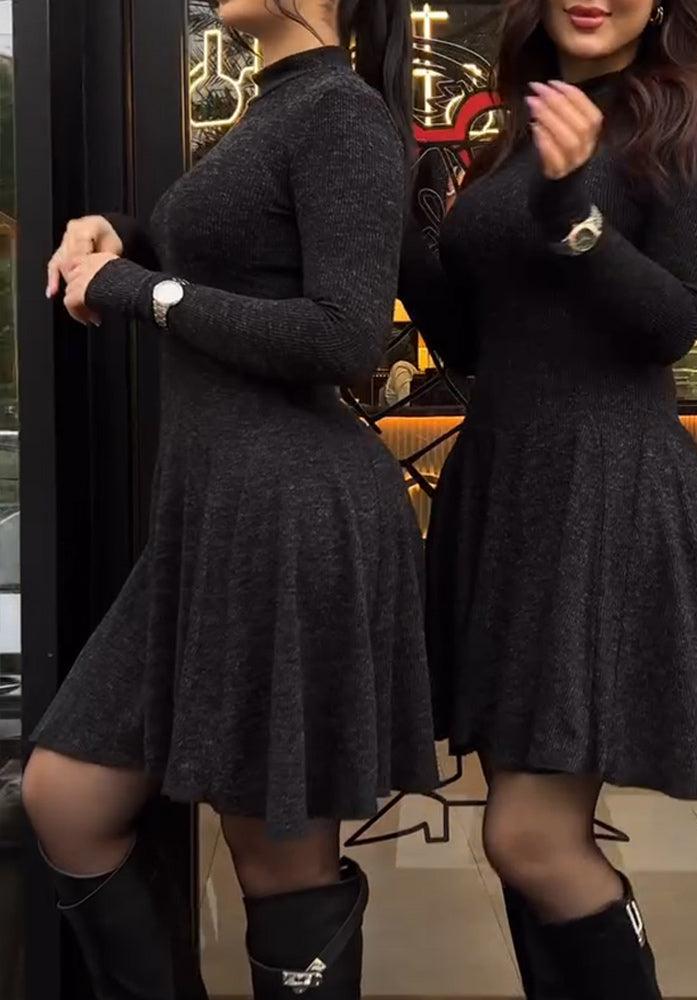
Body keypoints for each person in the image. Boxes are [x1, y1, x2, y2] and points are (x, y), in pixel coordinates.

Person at [23, 1, 438, 998]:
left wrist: (135, 288)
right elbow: (238, 256)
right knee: (64, 797)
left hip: (285, 516)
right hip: (216, 515)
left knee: (278, 865)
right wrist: (121, 233)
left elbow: (344, 334)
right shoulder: (277, 105)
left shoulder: (341, 113)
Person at [399, 1, 697, 998]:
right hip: (505, 485)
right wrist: (402, 226)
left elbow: (672, 320)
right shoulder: (520, 126)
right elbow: (470, 344)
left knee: (527, 835)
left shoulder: (695, 110)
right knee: (523, 836)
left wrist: (574, 210)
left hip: (603, 486)